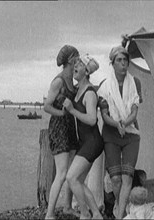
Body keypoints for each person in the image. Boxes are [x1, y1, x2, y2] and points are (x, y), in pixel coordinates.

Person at [97, 45, 143, 219]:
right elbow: (104, 114)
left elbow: (134, 111)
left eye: (125, 60)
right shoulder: (104, 86)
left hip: (131, 134)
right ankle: (119, 205)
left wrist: (125, 123)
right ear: (112, 63)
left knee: (127, 177)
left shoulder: (135, 82)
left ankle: (120, 215)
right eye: (119, 60)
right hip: (111, 135)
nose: (123, 64)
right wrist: (117, 125)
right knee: (115, 179)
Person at [63, 54, 104, 219]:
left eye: (79, 65)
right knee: (78, 180)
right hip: (86, 142)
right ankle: (96, 214)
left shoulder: (89, 93)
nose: (75, 67)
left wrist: (73, 110)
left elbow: (92, 119)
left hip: (93, 142)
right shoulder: (78, 89)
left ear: (86, 71)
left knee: (71, 178)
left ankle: (85, 214)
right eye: (74, 65)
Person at [44, 45, 80, 219]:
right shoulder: (58, 81)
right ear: (70, 59)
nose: (79, 60)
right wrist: (63, 113)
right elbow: (46, 106)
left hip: (70, 126)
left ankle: (67, 206)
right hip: (59, 126)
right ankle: (49, 214)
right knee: (62, 172)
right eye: (77, 57)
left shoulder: (73, 80)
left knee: (72, 170)